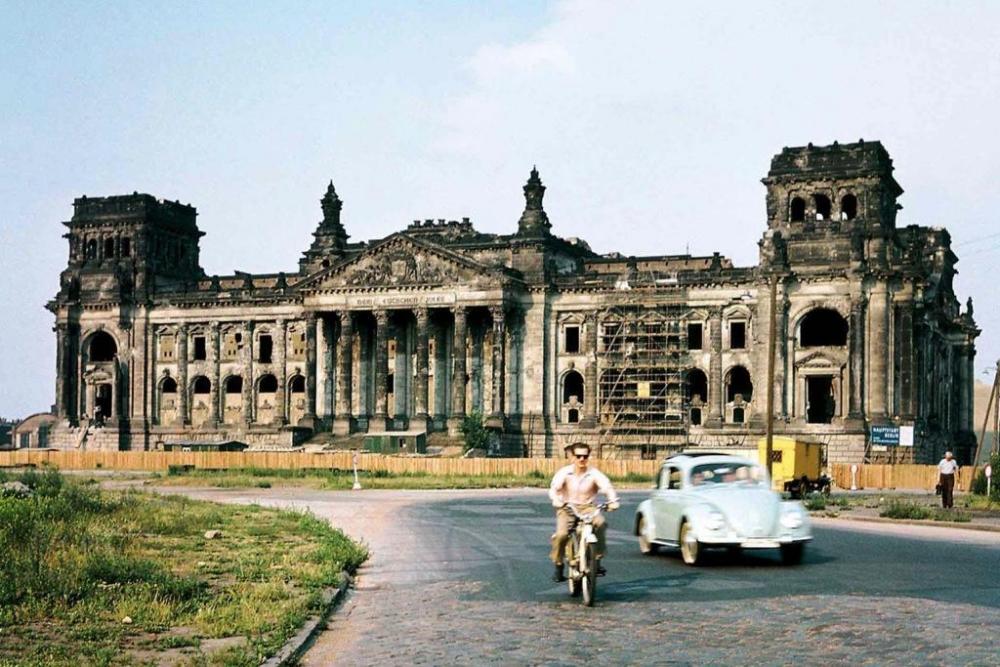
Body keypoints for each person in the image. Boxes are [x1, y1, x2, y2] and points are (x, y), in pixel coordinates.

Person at [548, 443, 620, 582]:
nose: (582, 459)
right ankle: (558, 565)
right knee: (562, 535)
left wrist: (613, 501)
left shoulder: (594, 473)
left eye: (585, 456)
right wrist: (556, 500)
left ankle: (597, 560)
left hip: (588, 507)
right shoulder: (565, 473)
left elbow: (607, 487)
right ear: (572, 457)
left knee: (601, 523)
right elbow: (554, 489)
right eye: (578, 456)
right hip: (567, 507)